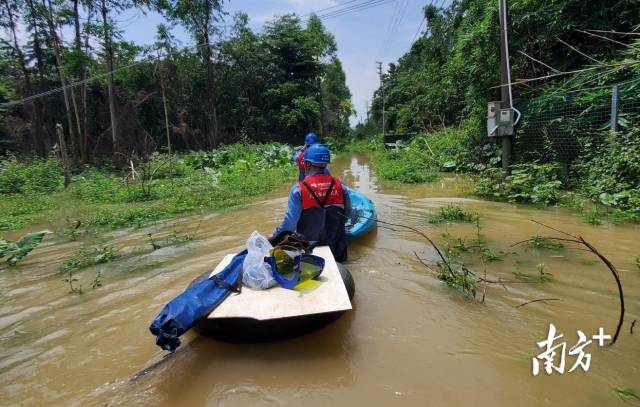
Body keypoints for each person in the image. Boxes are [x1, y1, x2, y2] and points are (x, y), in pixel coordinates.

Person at [274, 144, 350, 262]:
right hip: (337, 248)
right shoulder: (341, 186)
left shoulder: (298, 190)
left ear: (308, 164)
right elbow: (347, 216)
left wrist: (274, 236)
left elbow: (289, 226)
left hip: (310, 251)